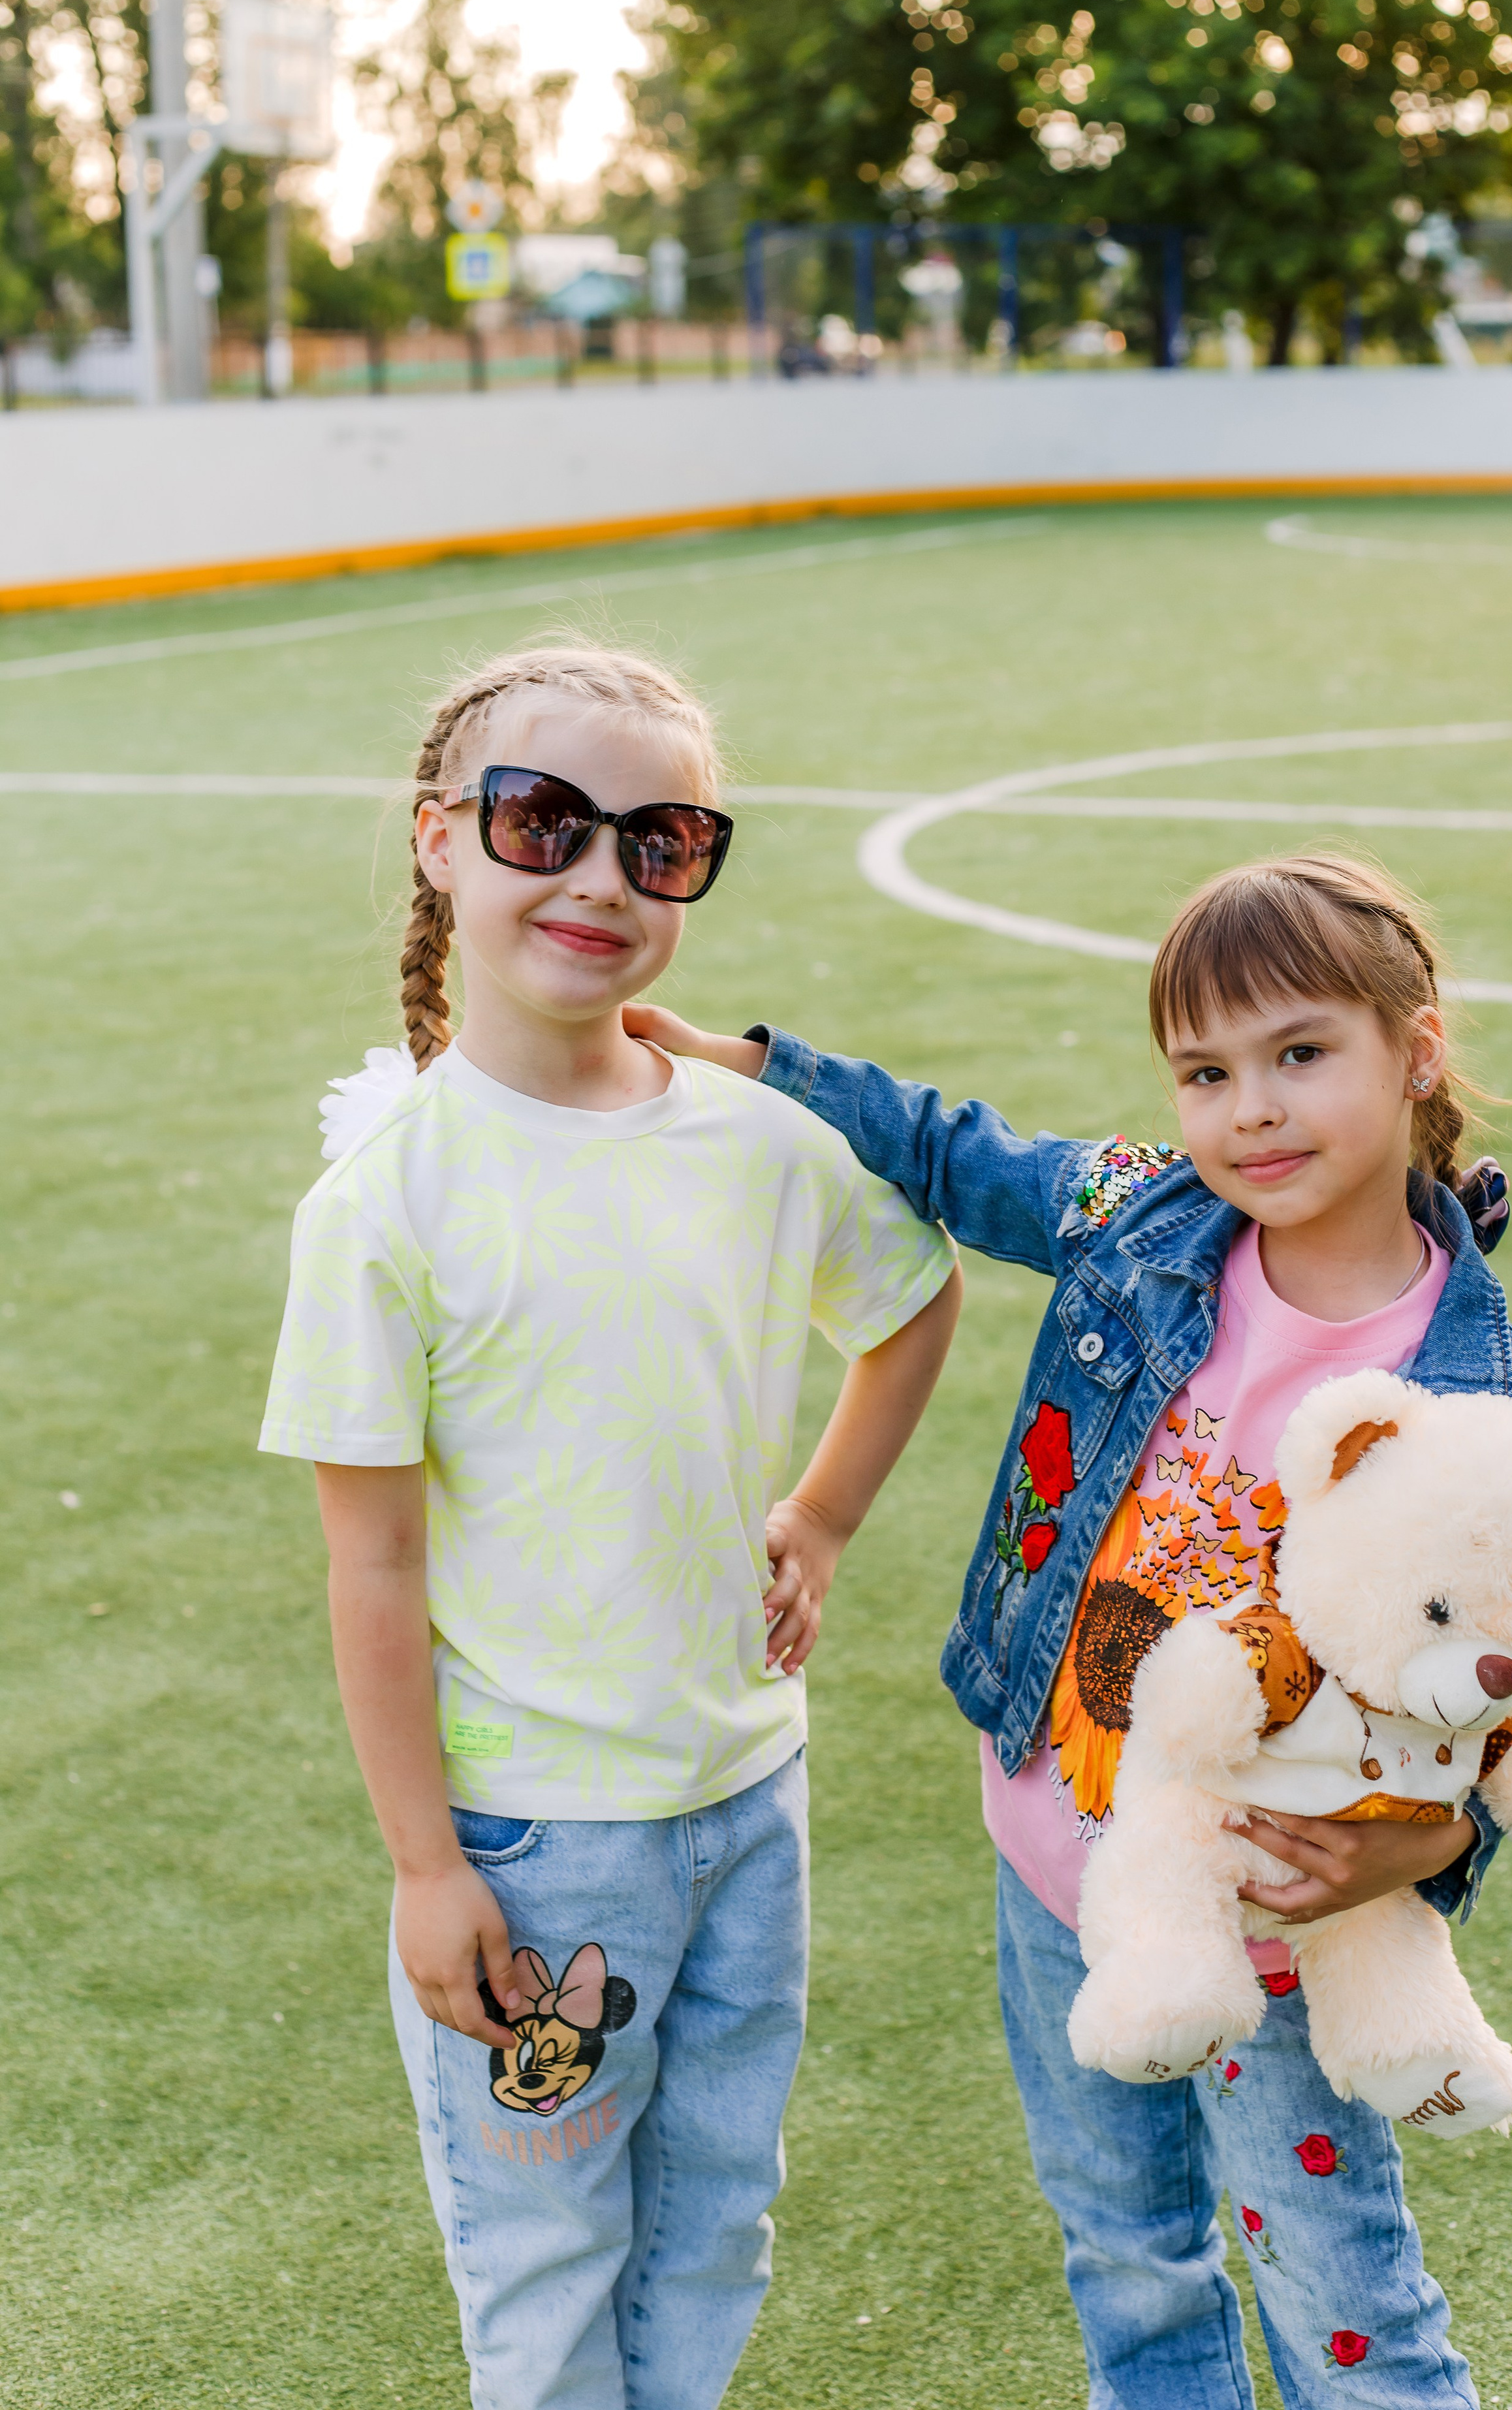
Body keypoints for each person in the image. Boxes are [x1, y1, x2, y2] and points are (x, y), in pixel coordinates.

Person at [627, 851, 1512, 2410]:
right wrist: (758, 1068)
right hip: (1058, 1861)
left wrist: (1424, 1851)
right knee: (1126, 2253)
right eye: (1206, 1072)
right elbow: (960, 1154)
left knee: (1342, 2299)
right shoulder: (1145, 1218)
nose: (1249, 1111)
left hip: (1278, 1915)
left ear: (1412, 1055)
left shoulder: (1481, 1398)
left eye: (1298, 1055)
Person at [259, 642, 960, 2410]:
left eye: (662, 842)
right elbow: (375, 1563)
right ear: (441, 843)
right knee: (548, 2253)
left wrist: (822, 1513)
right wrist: (430, 1868)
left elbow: (910, 1299)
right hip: (531, 1843)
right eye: (543, 822)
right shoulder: (388, 1202)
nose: (598, 878)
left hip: (745, 1805)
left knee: (717, 2220)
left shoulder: (758, 1139)